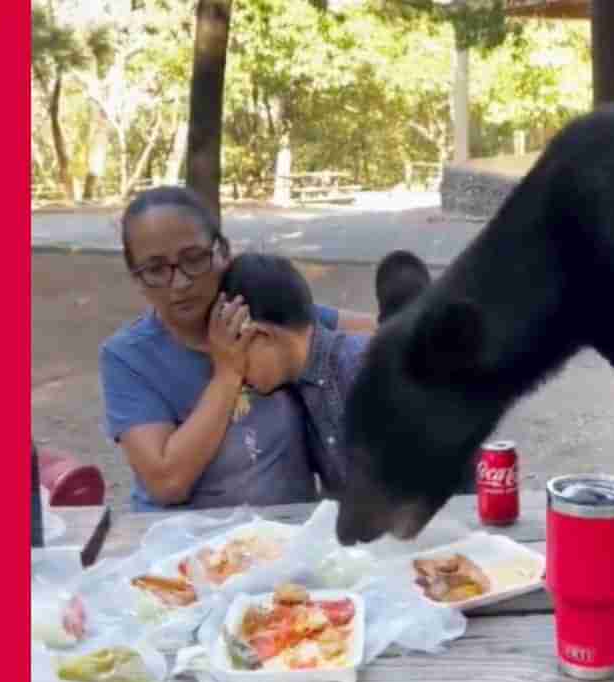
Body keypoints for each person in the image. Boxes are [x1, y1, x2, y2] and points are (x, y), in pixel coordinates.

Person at [99, 186, 376, 511]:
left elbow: (384, 329)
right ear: (137, 278)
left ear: (223, 252)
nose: (181, 282)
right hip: (184, 546)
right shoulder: (128, 358)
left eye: (194, 259)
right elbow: (167, 482)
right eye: (156, 269)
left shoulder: (257, 307)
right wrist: (227, 374)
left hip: (288, 538)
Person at [218, 252, 429, 496]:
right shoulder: (299, 388)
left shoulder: (361, 371)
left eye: (235, 351)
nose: (235, 370)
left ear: (261, 335)